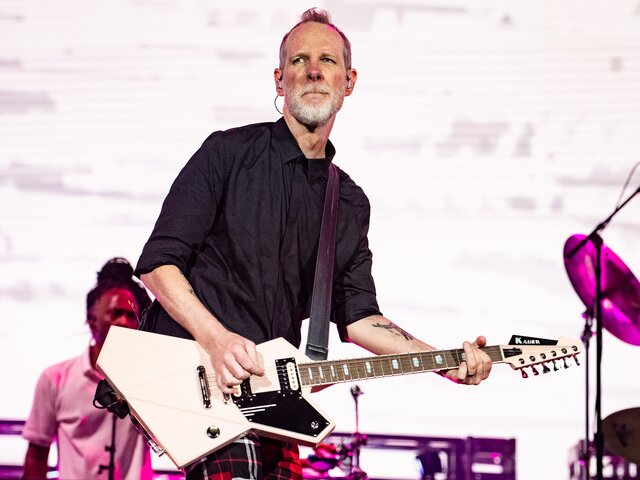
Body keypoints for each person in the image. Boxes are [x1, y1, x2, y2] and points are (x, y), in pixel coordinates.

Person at [135, 8, 493, 479]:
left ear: (349, 81)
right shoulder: (227, 153)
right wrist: (216, 339)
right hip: (199, 374)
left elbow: (360, 317)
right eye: (299, 60)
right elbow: (158, 264)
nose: (314, 70)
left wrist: (443, 362)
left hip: (273, 394)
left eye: (327, 60)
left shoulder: (347, 201)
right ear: (280, 79)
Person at [22, 258, 154, 480]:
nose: (124, 322)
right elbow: (36, 456)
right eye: (116, 313)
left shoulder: (150, 379)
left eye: (131, 315)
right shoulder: (55, 378)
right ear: (92, 320)